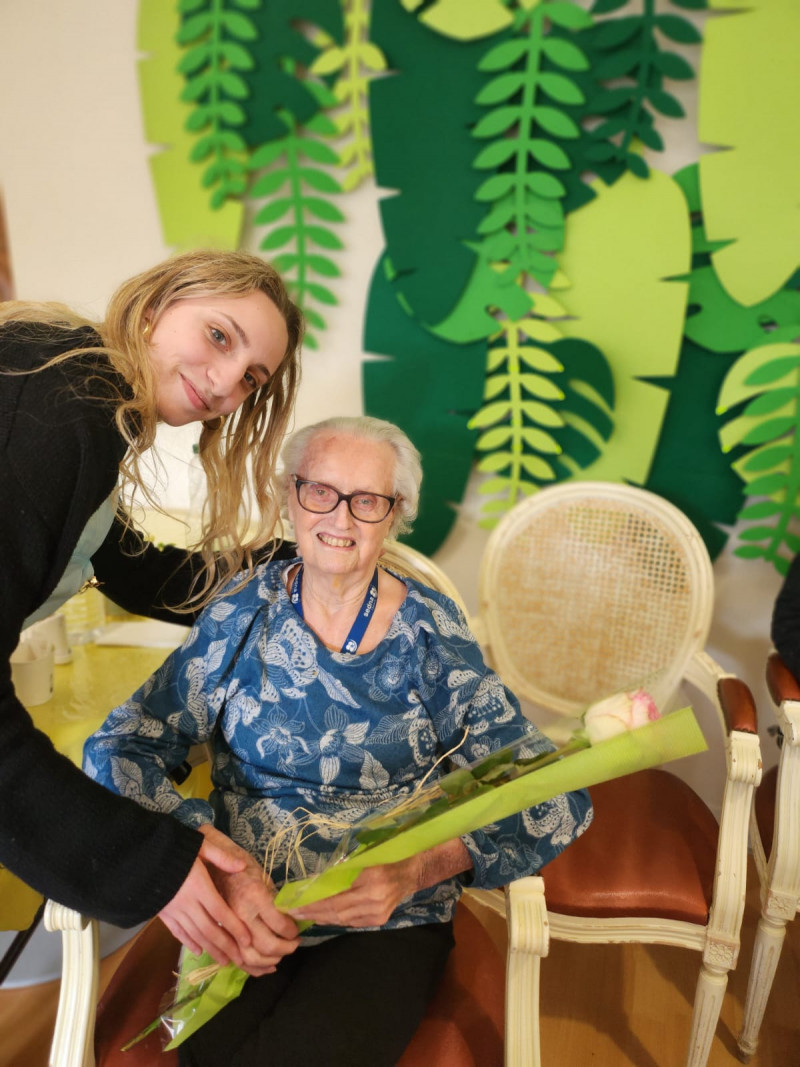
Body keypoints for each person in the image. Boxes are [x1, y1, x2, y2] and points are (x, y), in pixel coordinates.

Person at [84, 415, 593, 1066]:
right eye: (320, 490)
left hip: (385, 919)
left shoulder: (431, 635)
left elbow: (551, 789)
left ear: (395, 514)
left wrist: (416, 868)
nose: (340, 517)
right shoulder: (241, 611)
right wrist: (204, 854)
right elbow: (121, 745)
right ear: (290, 496)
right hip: (250, 906)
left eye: (367, 500)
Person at [0, 248, 303, 970]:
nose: (228, 383)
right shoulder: (60, 410)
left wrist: (297, 556)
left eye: (251, 379)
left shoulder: (82, 383)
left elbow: (135, 567)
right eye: (220, 336)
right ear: (161, 301)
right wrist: (147, 863)